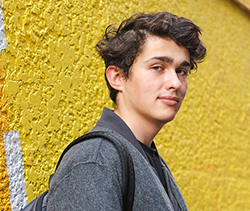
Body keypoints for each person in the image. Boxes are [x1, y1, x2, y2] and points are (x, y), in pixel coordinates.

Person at [46, 12, 207, 210]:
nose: (175, 83)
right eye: (158, 67)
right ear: (117, 77)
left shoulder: (149, 159)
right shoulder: (96, 159)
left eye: (181, 71)